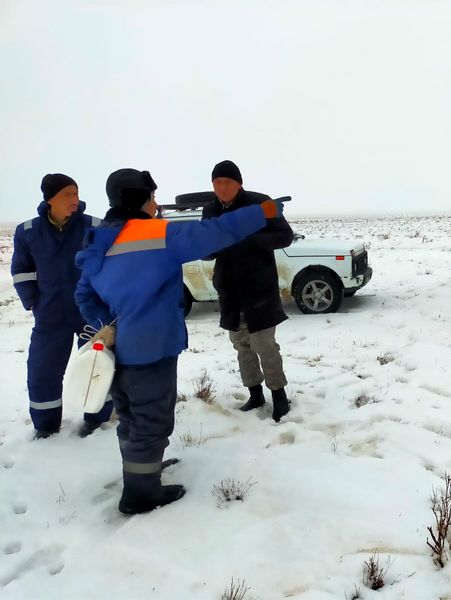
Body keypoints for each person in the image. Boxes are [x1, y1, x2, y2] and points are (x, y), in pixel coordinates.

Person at [75, 168, 284, 515]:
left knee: (130, 416)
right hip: (152, 346)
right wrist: (260, 212)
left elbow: (84, 295)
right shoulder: (156, 234)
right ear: (137, 199)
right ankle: (141, 494)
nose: (156, 205)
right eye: (152, 197)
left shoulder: (99, 240)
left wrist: (110, 326)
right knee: (151, 419)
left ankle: (144, 470)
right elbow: (214, 231)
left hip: (117, 348)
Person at [11, 174, 113, 440]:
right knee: (43, 370)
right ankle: (45, 425)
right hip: (50, 314)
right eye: (67, 194)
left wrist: (106, 299)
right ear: (50, 198)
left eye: (76, 193)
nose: (74, 200)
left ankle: (97, 420)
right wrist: (31, 299)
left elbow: (109, 266)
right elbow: (22, 270)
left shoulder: (95, 226)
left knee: (98, 366)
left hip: (90, 313)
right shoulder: (28, 231)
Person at [202, 160, 294, 421]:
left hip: (258, 286)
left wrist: (250, 241)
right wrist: (208, 249)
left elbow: (284, 236)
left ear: (238, 183)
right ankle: (255, 394)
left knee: (264, 344)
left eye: (227, 182)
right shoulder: (210, 210)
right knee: (241, 344)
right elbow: (208, 248)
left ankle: (279, 396)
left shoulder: (259, 203)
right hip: (229, 288)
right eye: (217, 182)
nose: (221, 188)